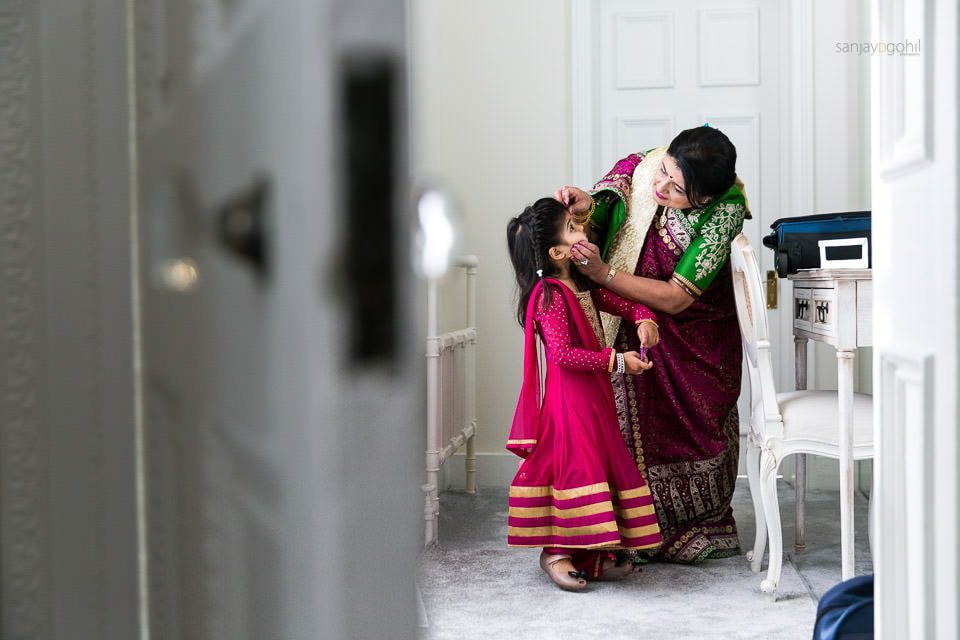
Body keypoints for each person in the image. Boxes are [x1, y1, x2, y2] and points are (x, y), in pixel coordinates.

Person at [555, 126, 750, 563]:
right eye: (664, 172)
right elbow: (612, 199)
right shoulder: (648, 166)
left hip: (696, 337)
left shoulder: (725, 210)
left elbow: (679, 297)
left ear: (703, 198)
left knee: (694, 425)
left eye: (677, 189)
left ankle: (694, 522)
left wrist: (604, 274)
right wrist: (588, 205)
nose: (660, 186)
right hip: (633, 322)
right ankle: (631, 524)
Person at [505, 197, 662, 591]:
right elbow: (563, 355)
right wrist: (619, 362)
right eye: (575, 229)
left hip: (593, 397)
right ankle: (554, 552)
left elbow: (617, 302)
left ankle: (592, 556)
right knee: (573, 468)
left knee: (596, 466)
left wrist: (643, 317)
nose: (584, 233)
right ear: (557, 251)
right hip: (569, 401)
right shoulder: (550, 295)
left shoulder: (577, 283)